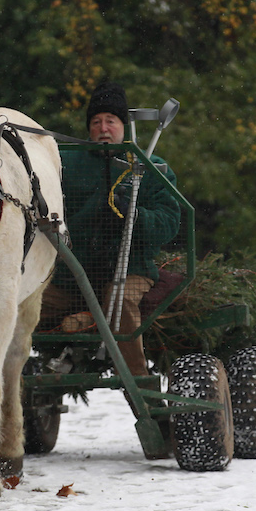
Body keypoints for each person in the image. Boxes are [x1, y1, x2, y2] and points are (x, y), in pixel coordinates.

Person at [41, 82, 180, 377]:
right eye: (96, 122)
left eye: (110, 121)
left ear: (123, 127)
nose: (103, 128)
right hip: (71, 276)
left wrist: (135, 215)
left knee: (120, 301)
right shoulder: (65, 164)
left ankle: (140, 386)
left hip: (131, 269)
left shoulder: (151, 168)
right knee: (26, 302)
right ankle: (24, 382)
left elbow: (169, 222)